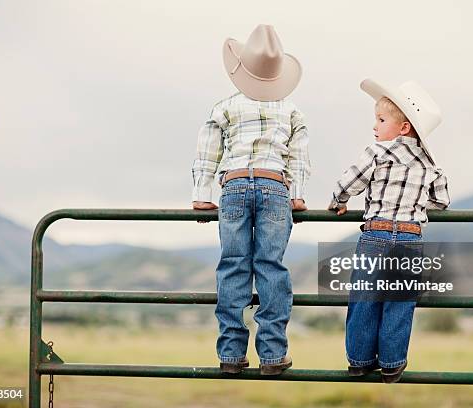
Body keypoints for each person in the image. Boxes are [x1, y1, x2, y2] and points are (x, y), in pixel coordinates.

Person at [191, 24, 310, 375]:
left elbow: (207, 153)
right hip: (275, 187)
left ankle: (231, 353)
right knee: (271, 267)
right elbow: (299, 158)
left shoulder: (224, 108)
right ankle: (273, 354)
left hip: (235, 186)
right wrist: (298, 195)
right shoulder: (292, 112)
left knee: (233, 265)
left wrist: (201, 195)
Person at [328, 78, 450, 383]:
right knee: (399, 301)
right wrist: (416, 207)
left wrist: (338, 202)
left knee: (364, 298)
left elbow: (348, 183)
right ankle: (393, 363)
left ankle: (360, 360)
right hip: (410, 236)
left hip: (376, 234)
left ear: (404, 127)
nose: (374, 127)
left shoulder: (377, 152)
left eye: (381, 120)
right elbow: (441, 201)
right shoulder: (430, 164)